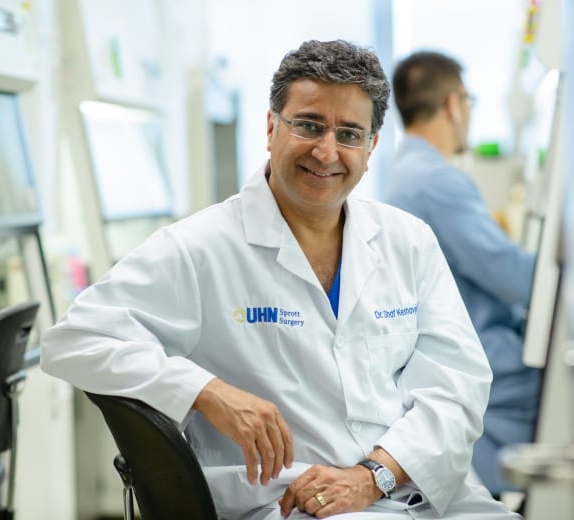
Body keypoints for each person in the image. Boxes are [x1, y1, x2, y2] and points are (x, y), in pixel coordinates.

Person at [41, 40, 519, 519]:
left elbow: (457, 388)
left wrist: (375, 475)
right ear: (271, 127)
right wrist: (205, 391)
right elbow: (73, 340)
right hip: (290, 505)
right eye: (309, 125)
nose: (326, 150)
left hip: (412, 490)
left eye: (349, 133)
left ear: (371, 148)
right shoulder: (200, 247)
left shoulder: (408, 242)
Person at [385, 51, 542, 497]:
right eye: (469, 101)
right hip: (478, 352)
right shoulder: (437, 180)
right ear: (454, 104)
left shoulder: (408, 173)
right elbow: (514, 277)